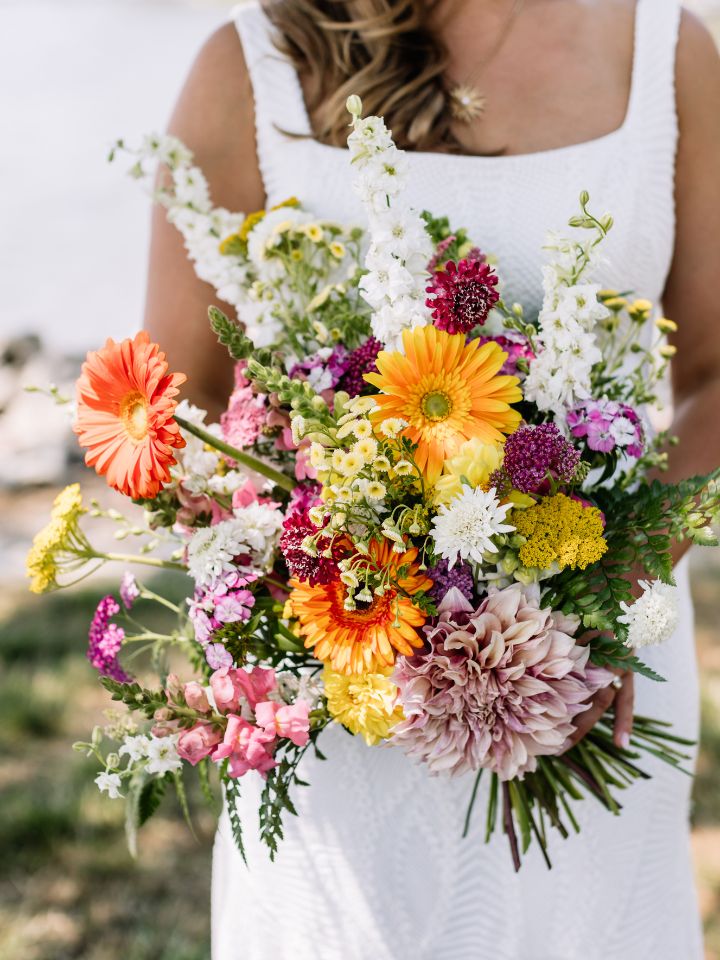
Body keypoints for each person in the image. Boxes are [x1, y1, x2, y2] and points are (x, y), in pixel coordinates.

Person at [145, 1, 720, 957]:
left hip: (588, 683)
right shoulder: (249, 67)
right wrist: (329, 557)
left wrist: (613, 580)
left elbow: (715, 374)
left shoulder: (669, 52)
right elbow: (171, 416)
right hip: (343, 694)